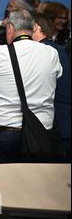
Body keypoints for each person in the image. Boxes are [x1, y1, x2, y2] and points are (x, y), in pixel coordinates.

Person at [0, 10, 62, 164]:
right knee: (34, 185)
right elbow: (57, 75)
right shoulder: (51, 53)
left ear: (10, 28)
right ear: (33, 28)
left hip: (2, 135)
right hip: (40, 133)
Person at [33, 13, 71, 161]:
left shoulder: (44, 51)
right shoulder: (56, 48)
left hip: (57, 128)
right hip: (62, 125)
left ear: (36, 27)